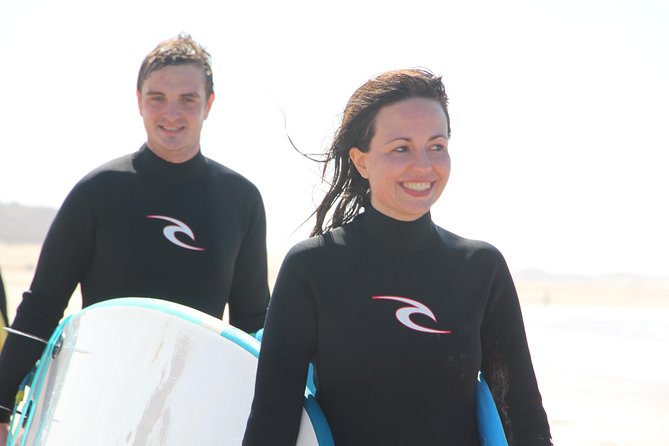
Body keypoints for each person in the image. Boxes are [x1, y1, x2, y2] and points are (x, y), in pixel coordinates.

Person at [243, 69, 552, 445]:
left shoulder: (480, 268)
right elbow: (272, 422)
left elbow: (522, 415)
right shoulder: (312, 268)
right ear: (361, 161)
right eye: (401, 148)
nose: (423, 165)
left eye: (436, 146)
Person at [0, 33, 270, 437]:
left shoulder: (240, 200)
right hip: (96, 405)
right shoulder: (98, 192)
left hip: (192, 413)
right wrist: (2, 406)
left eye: (188, 100)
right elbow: (41, 307)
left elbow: (252, 324)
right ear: (139, 100)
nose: (171, 113)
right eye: (157, 97)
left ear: (209, 104)